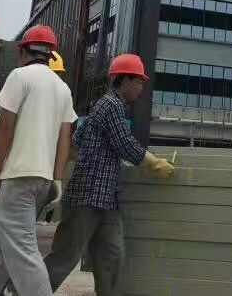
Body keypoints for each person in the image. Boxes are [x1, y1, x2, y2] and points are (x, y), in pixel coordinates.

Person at [43, 54, 174, 295]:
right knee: (66, 256)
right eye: (139, 82)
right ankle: (28, 291)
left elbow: (78, 139)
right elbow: (124, 143)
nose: (141, 89)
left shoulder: (105, 107)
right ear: (125, 80)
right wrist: (154, 163)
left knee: (112, 256)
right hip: (88, 195)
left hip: (107, 200)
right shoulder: (110, 105)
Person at [0, 24, 77, 296]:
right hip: (42, 181)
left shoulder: (19, 76)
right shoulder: (63, 88)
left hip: (17, 178)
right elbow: (64, 139)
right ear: (51, 54)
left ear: (23, 52)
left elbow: (5, 128)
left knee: (24, 252)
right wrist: (57, 178)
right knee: (1, 248)